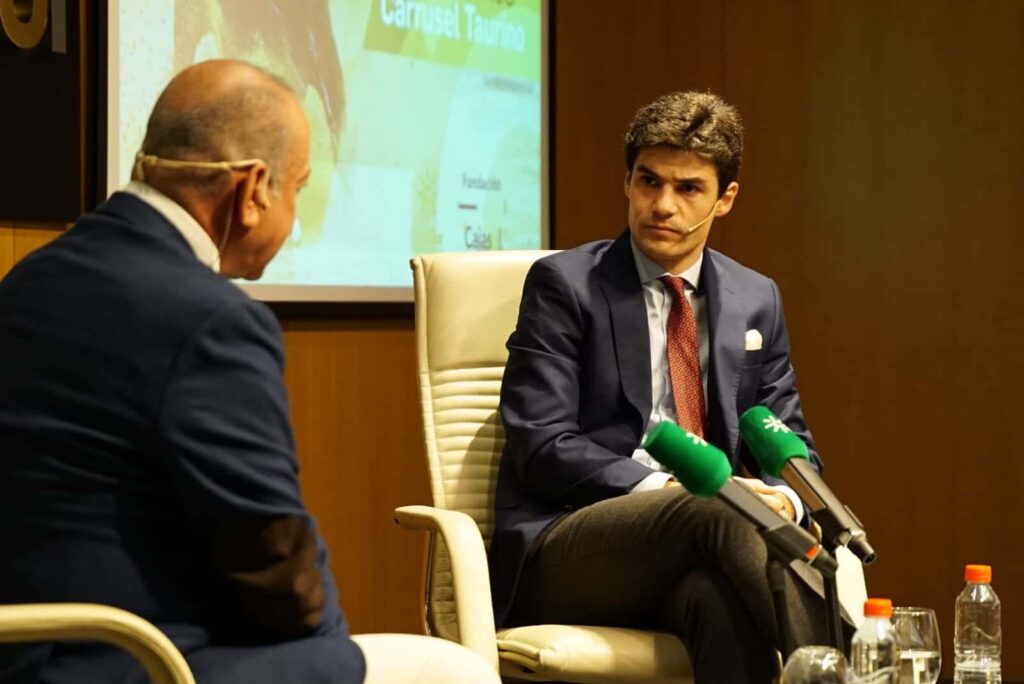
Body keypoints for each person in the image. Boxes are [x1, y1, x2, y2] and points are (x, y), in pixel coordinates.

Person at [0, 60, 498, 684]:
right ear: (254, 189)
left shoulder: (27, 280)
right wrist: (330, 656)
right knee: (444, 668)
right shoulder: (210, 320)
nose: (297, 215)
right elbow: (273, 560)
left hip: (23, 653)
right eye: (299, 188)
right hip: (126, 660)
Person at [489, 90, 847, 682]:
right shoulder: (566, 286)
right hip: (572, 543)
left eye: (688, 189)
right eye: (649, 181)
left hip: (708, 543)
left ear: (725, 198)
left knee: (717, 600)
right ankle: (859, 669)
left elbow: (788, 440)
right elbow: (542, 445)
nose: (662, 205)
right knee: (713, 505)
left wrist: (784, 499)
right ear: (627, 182)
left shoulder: (755, 298)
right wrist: (671, 487)